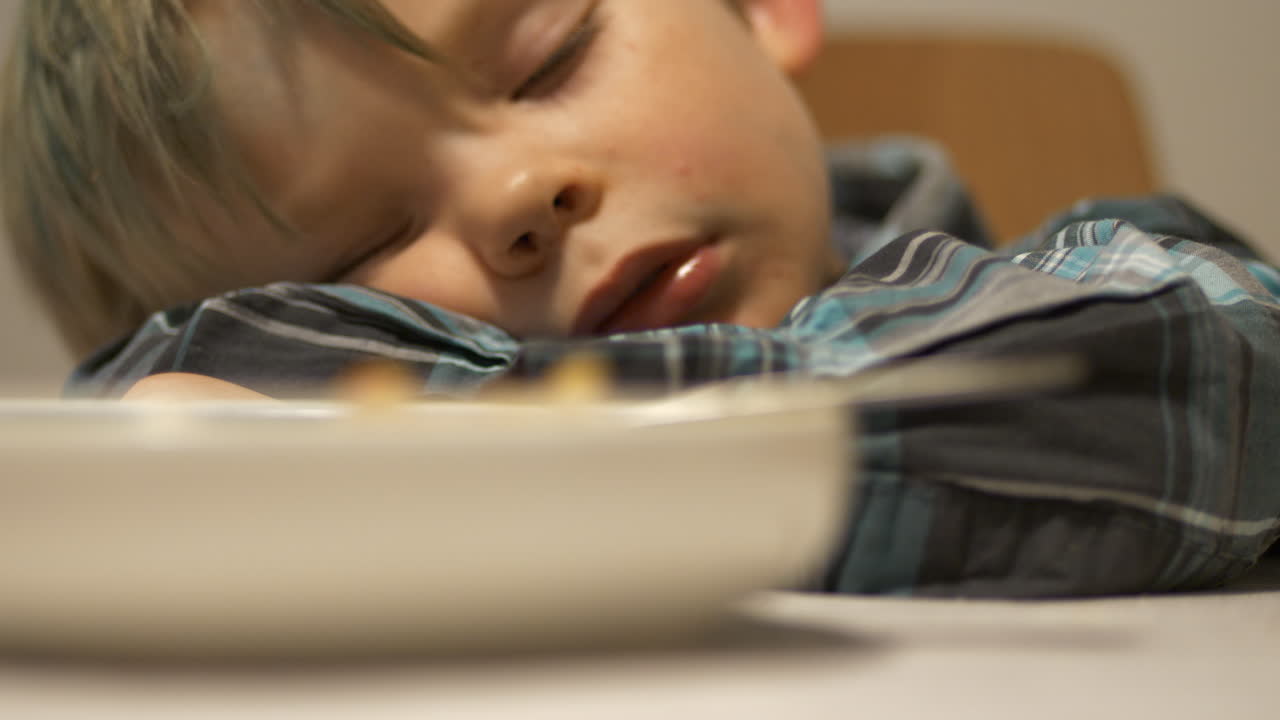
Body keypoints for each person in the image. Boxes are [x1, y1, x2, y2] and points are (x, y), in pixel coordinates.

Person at [2, 0, 1278, 596]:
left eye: (551, 56)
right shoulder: (217, 366)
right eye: (363, 244)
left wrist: (403, 473)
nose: (517, 192)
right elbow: (143, 410)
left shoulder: (1113, 285)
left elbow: (1208, 349)